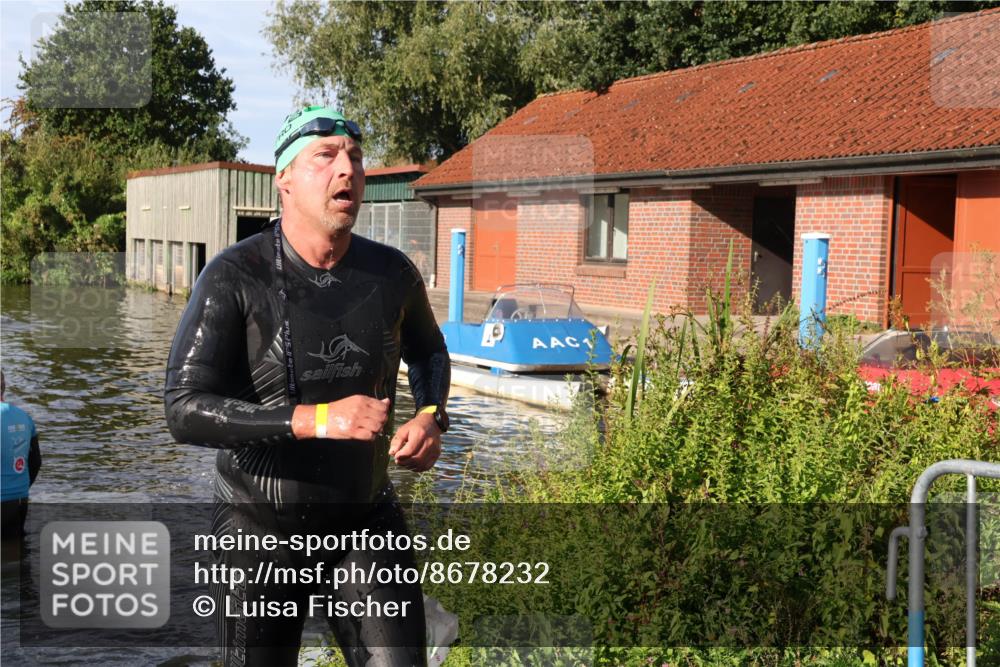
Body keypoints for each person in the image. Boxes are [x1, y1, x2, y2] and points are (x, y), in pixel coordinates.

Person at [164, 106, 450, 667]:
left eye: (355, 158)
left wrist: (431, 417)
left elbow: (430, 351)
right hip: (258, 526)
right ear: (285, 179)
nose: (347, 169)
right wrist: (316, 419)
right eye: (326, 156)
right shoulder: (233, 276)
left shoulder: (392, 275)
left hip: (363, 519)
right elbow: (182, 408)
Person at [1, 371, 41, 541]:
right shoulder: (24, 417)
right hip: (18, 498)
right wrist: (21, 487)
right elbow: (36, 462)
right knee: (16, 552)